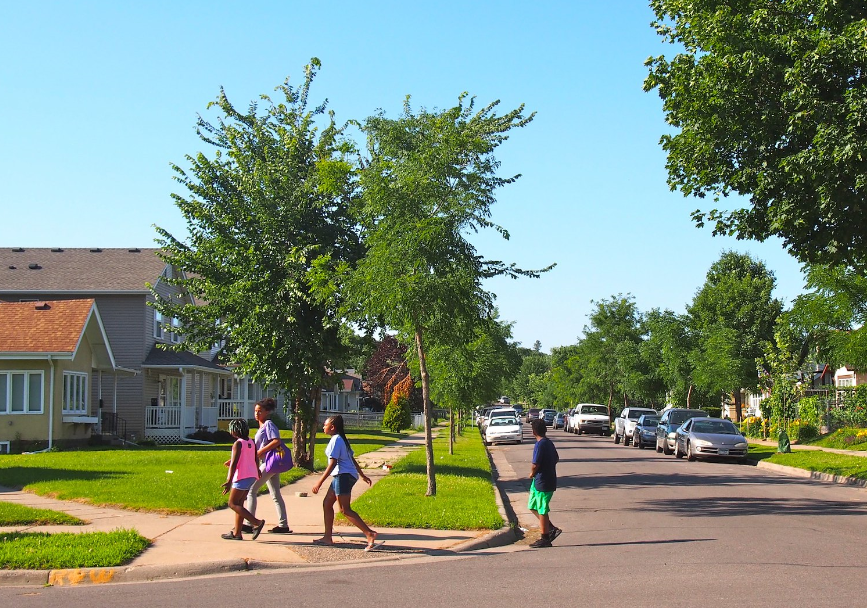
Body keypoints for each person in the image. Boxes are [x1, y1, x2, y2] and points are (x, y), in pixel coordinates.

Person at [311, 415, 382, 551]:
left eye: (325, 425)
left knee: (344, 509)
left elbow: (333, 463)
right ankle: (327, 537)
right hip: (345, 475)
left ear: (332, 427)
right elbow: (352, 459)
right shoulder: (341, 439)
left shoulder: (336, 440)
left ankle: (369, 534)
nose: (323, 427)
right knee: (327, 504)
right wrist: (362, 475)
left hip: (342, 476)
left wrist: (319, 482)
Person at [243, 397, 291, 534]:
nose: (257, 414)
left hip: (270, 462)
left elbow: (276, 441)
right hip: (269, 463)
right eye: (255, 411)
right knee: (275, 493)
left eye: (260, 411)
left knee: (251, 489)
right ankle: (283, 525)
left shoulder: (268, 424)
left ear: (267, 412)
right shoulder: (261, 426)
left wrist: (260, 452)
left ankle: (249, 523)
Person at [221, 418, 266, 541]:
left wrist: (229, 481)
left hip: (241, 476)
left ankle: (257, 522)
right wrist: (257, 470)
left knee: (232, 503)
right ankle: (237, 533)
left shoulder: (238, 443)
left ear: (235, 431)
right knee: (239, 504)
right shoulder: (251, 441)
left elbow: (234, 464)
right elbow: (254, 458)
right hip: (251, 476)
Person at [528, 418, 561, 548]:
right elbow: (556, 458)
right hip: (540, 481)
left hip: (544, 481)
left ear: (533, 431)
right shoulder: (548, 443)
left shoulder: (540, 444)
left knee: (542, 509)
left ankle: (545, 538)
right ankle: (551, 528)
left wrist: (532, 473)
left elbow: (535, 464)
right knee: (533, 506)